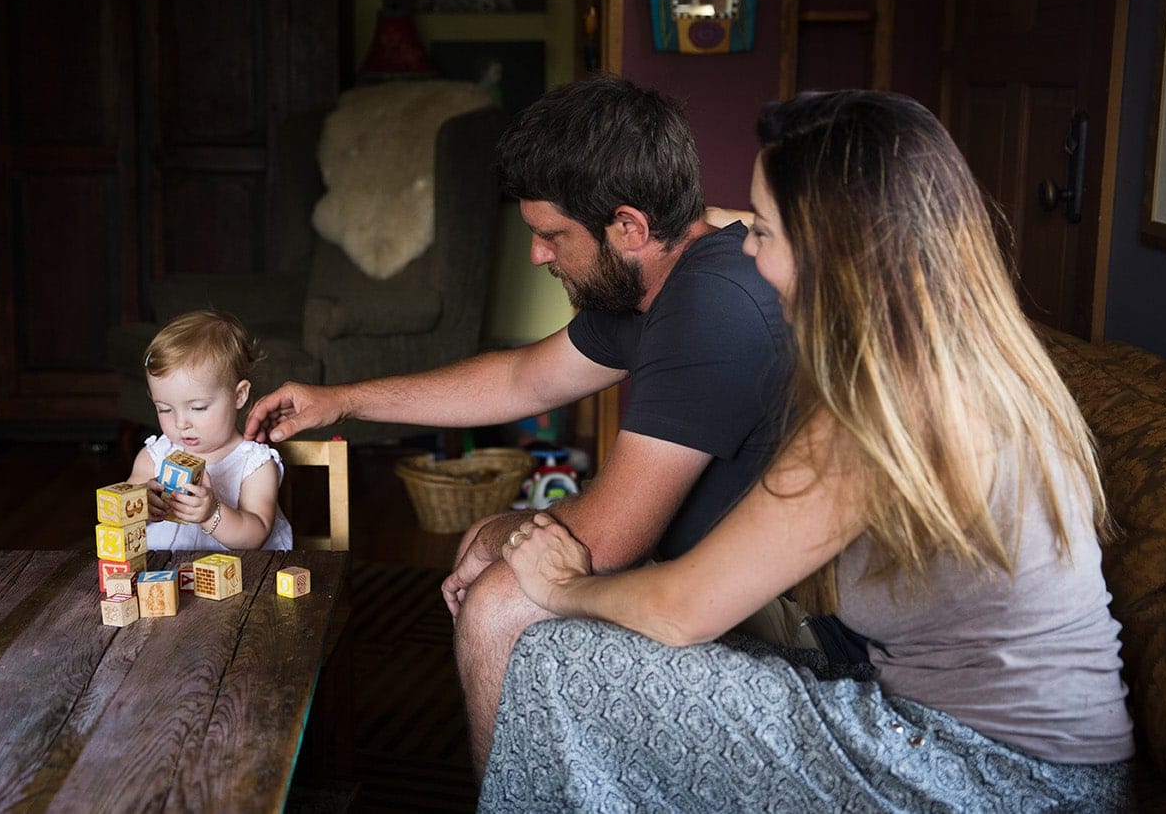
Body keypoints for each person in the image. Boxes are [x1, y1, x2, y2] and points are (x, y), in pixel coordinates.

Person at [484, 90, 1136, 811]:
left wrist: (563, 586)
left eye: (763, 231)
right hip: (1008, 753)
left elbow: (682, 609)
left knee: (554, 657)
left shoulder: (882, 410)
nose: (748, 253)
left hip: (992, 775)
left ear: (834, 246)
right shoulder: (955, 347)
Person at [245, 75, 795, 772]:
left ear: (627, 226)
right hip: (716, 580)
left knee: (502, 597)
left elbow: (604, 544)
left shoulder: (708, 308)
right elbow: (520, 378)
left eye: (551, 235)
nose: (537, 255)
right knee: (492, 545)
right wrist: (340, 399)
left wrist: (499, 538)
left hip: (784, 626)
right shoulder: (663, 268)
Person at [131, 310, 293, 551]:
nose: (180, 423)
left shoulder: (254, 464)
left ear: (239, 395)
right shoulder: (155, 455)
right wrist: (143, 503)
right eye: (164, 409)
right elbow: (127, 508)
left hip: (243, 576)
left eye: (198, 407)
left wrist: (211, 513)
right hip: (164, 575)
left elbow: (256, 533)